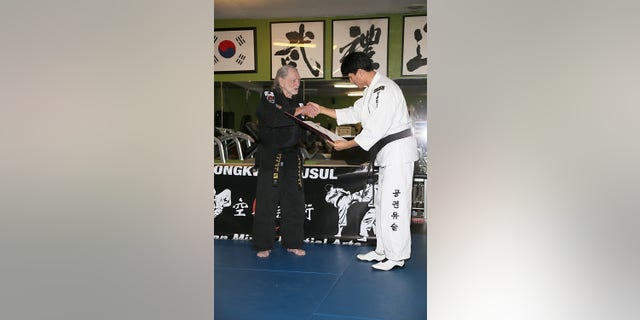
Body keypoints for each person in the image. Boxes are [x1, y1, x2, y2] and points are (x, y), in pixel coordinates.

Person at [307, 52, 418, 270]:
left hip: (398, 155)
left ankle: (397, 256)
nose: (350, 81)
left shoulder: (386, 90)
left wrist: (346, 145)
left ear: (359, 72)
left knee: (394, 205)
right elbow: (351, 113)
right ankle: (383, 251)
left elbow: (376, 128)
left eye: (350, 77)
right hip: (387, 155)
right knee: (380, 205)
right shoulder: (371, 91)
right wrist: (321, 110)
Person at [252, 65, 318, 258]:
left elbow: (303, 131)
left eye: (298, 80)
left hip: (292, 156)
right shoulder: (269, 96)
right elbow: (273, 118)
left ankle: (293, 242)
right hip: (271, 155)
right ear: (281, 81)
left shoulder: (299, 101)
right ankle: (264, 244)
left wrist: (314, 127)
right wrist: (300, 110)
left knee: (295, 201)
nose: (297, 83)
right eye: (293, 80)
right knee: (267, 200)